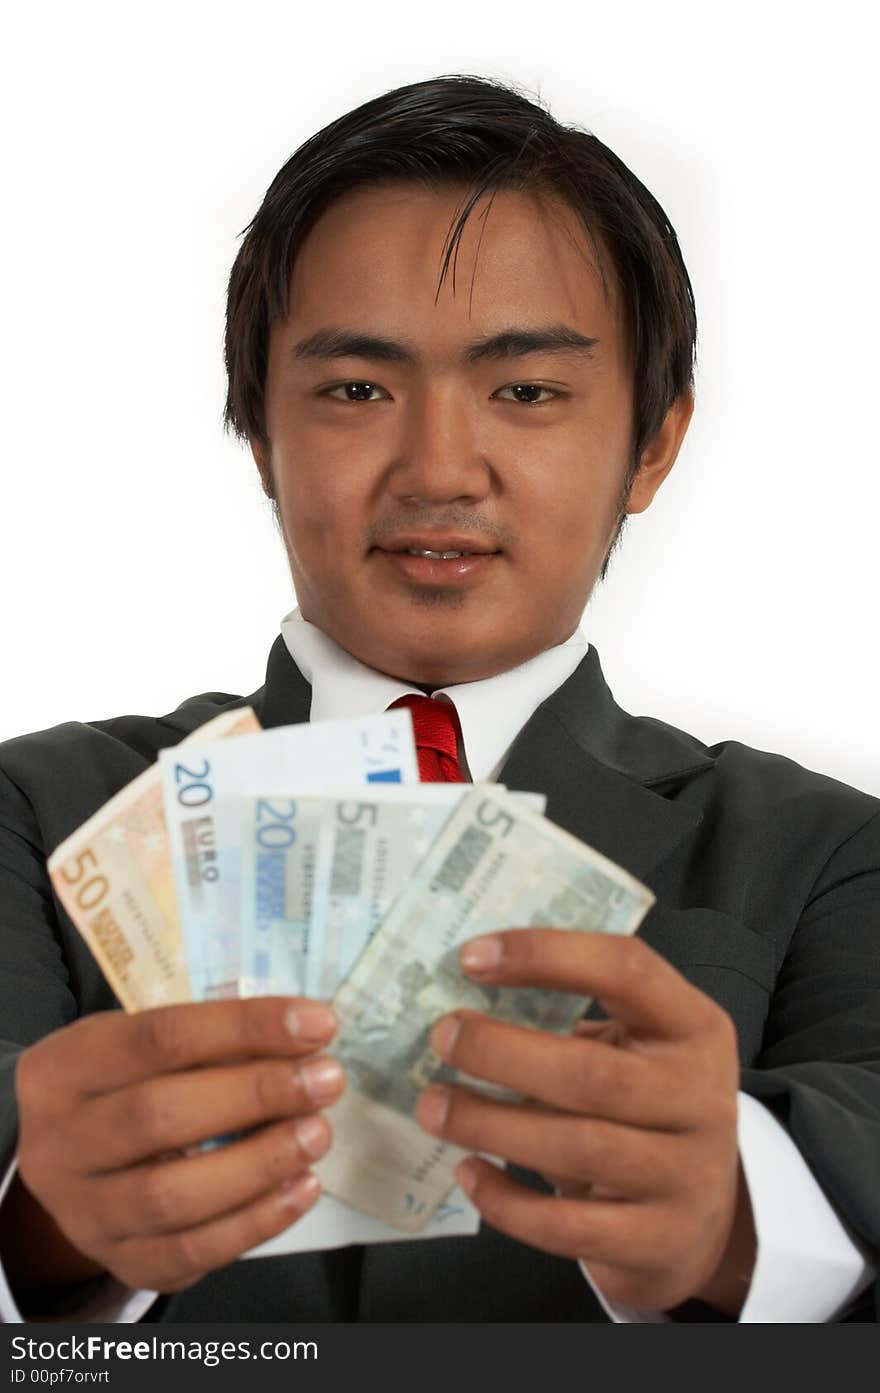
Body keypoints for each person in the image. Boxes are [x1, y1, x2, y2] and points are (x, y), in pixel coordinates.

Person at [0, 74, 877, 1325]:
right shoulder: (35, 814)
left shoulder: (833, 854)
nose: (437, 468)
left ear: (652, 444)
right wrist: (35, 1220)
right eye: (355, 389)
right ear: (261, 434)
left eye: (526, 391)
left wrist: (742, 1217)